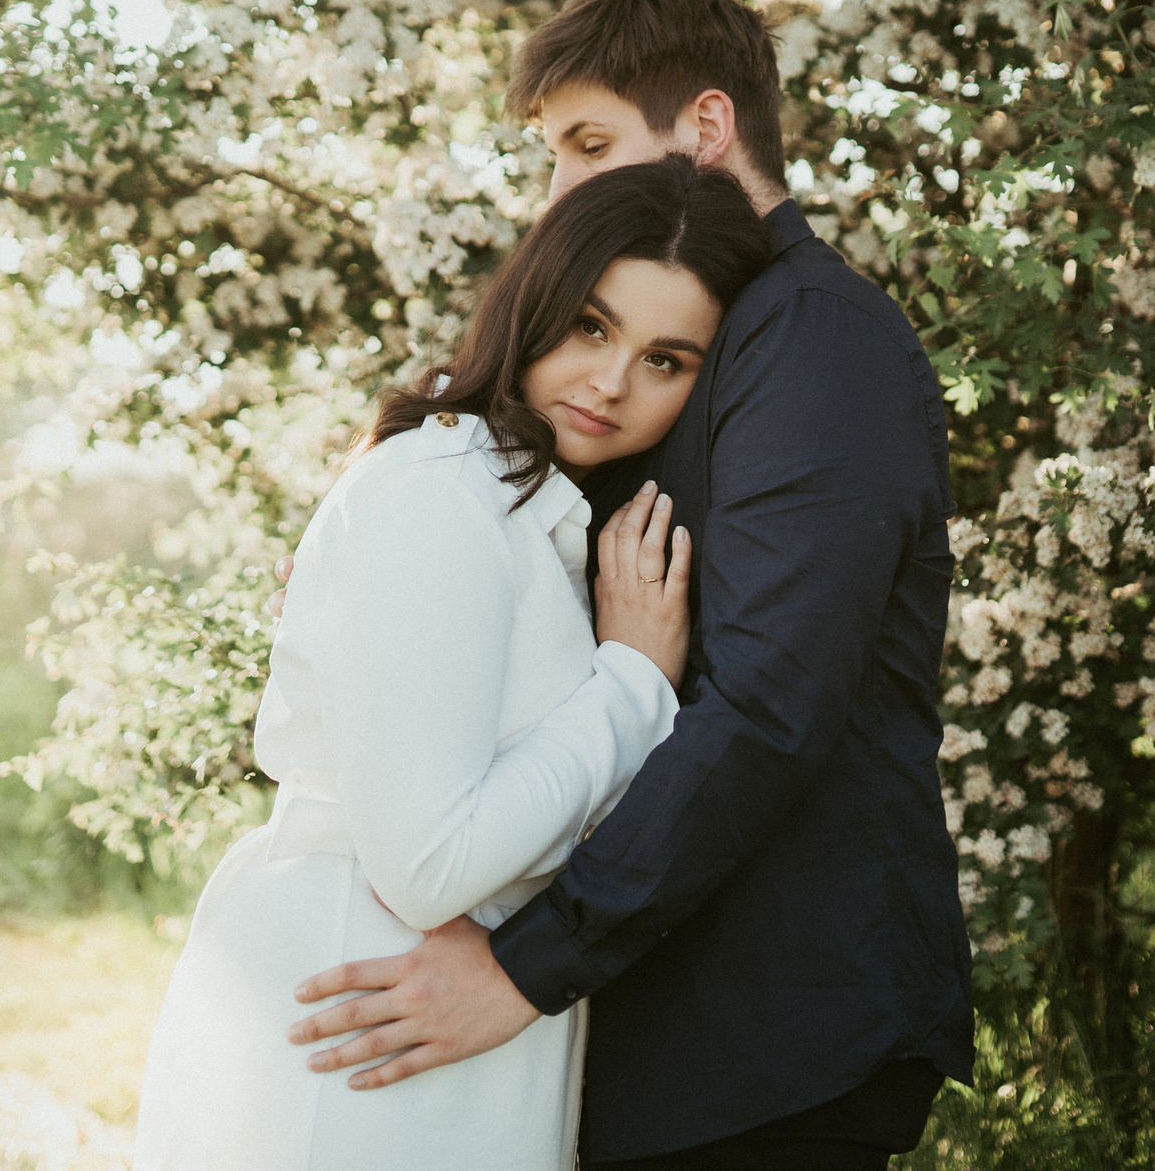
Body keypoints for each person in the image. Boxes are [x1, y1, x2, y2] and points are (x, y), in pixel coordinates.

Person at [289, 0, 973, 1170]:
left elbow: (770, 703)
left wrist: (524, 970)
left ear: (706, 128)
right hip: (666, 1027)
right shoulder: (694, 339)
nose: (560, 190)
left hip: (766, 1033)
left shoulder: (809, 336)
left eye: (590, 145)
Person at [133, 155, 773, 1171]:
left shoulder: (520, 506)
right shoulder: (442, 490)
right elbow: (431, 866)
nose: (611, 381)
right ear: (533, 303)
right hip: (364, 1009)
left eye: (665, 359)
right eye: (591, 326)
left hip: (432, 1019)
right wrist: (631, 682)